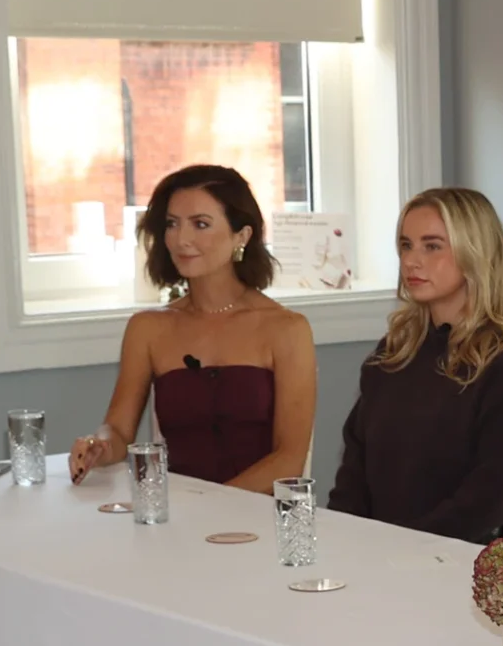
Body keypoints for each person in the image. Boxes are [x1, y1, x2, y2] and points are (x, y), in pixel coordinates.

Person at [67, 164, 317, 491]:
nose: (181, 239)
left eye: (200, 224)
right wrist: (98, 445)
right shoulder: (147, 329)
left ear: (242, 236)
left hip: (259, 513)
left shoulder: (287, 329)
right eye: (172, 224)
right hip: (177, 512)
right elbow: (118, 430)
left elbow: (289, 458)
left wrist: (210, 504)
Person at [327, 187, 503, 543]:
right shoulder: (394, 352)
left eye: (432, 246)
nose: (411, 261)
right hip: (373, 550)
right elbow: (354, 470)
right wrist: (343, 536)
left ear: (475, 253)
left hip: (458, 559)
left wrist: (405, 546)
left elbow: (495, 495)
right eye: (406, 245)